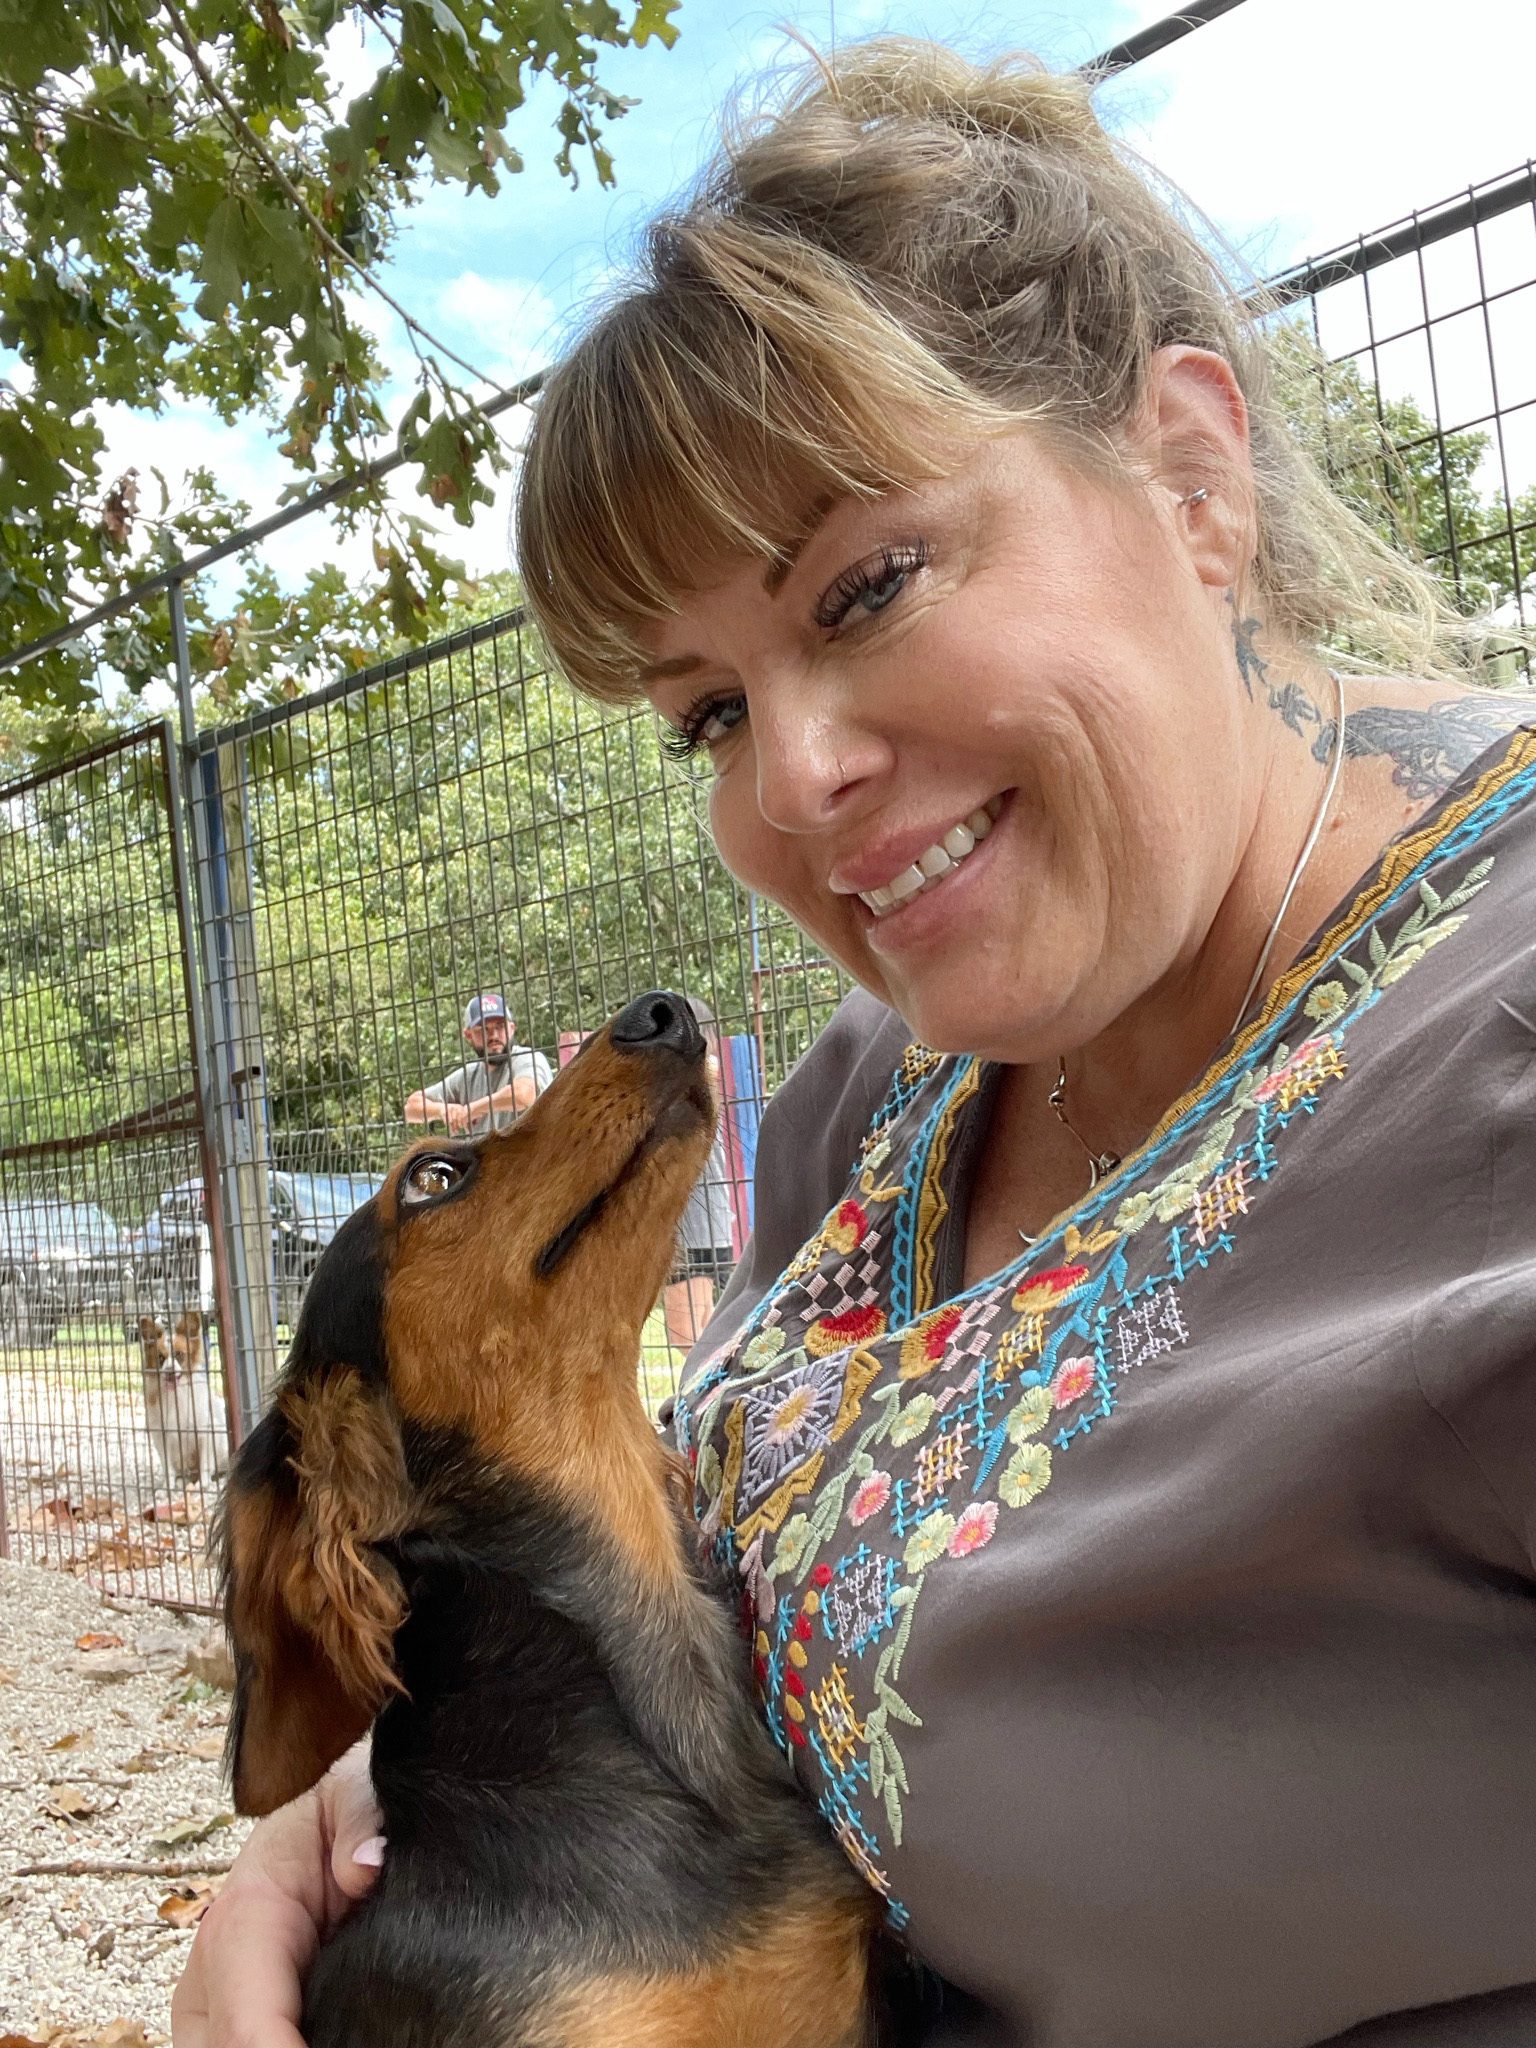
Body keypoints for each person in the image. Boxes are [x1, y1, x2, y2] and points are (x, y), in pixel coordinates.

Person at [174, 40, 1536, 2048]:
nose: (796, 778)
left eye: (872, 582)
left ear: (1193, 470)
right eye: (708, 712)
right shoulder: (886, 1084)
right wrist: (345, 1837)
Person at [661, 996, 737, 1357]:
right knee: (699, 1329)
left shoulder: (701, 1070)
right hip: (706, 1219)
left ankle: (703, 1401)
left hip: (695, 1221)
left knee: (686, 1334)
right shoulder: (703, 1072)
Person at [401, 992, 551, 1135]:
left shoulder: (528, 1058)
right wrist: (443, 1110)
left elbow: (524, 1095)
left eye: (500, 1026)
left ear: (512, 1029)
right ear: (468, 1035)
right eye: (483, 1029)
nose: (493, 1035)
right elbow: (411, 1108)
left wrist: (471, 1110)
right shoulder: (468, 1076)